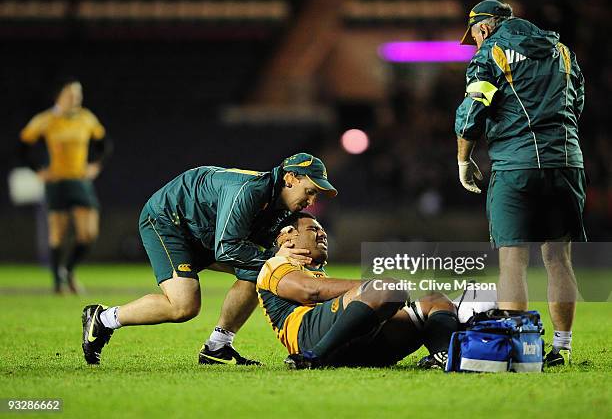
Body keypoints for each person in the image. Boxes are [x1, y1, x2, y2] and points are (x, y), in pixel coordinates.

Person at [81, 153, 337, 365]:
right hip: (169, 220)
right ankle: (103, 319)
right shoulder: (250, 191)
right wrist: (274, 256)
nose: (312, 200)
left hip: (206, 231)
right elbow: (227, 248)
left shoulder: (281, 209)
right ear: (290, 178)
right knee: (184, 306)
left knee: (256, 272)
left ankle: (217, 347)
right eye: (310, 191)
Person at [454, 0, 586, 366]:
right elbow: (577, 103)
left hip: (516, 166)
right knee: (559, 258)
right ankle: (562, 346)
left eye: (475, 37)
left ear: (484, 27)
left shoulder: (490, 52)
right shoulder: (562, 51)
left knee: (513, 260)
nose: (475, 44)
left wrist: (464, 160)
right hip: (566, 162)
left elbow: (471, 113)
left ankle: (519, 346)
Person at [256, 212, 459, 369]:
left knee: (435, 300)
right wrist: (377, 286)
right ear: (288, 236)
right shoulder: (276, 264)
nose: (323, 234)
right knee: (388, 286)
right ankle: (314, 356)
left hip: (356, 345)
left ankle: (445, 357)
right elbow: (309, 291)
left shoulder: (315, 272)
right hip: (307, 337)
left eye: (322, 230)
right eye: (313, 229)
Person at [19, 78, 111, 294]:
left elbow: (105, 144)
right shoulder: (45, 120)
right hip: (57, 182)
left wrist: (95, 166)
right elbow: (22, 147)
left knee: (89, 233)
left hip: (79, 181)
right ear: (59, 96)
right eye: (71, 94)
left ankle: (67, 270)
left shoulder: (86, 118)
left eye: (78, 95)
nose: (76, 99)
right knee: (57, 233)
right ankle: (57, 285)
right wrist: (39, 171)